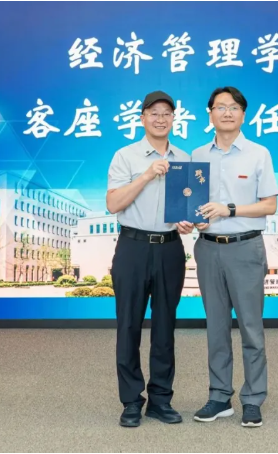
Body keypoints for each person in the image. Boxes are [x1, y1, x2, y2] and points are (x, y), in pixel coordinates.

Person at [191, 86, 278, 428]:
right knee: (215, 328)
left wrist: (229, 209)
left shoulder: (259, 154)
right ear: (210, 113)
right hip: (207, 248)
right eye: (220, 107)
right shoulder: (198, 154)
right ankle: (219, 396)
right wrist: (191, 219)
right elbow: (192, 201)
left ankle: (253, 399)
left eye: (233, 107)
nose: (226, 112)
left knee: (251, 329)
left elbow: (269, 205)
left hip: (245, 247)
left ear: (243, 114)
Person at [106, 90, 193, 428]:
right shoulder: (125, 156)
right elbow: (113, 204)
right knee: (128, 324)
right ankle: (131, 401)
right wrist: (145, 174)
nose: (160, 118)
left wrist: (188, 221)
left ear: (174, 119)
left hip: (170, 248)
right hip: (133, 247)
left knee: (165, 326)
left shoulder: (184, 158)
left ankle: (160, 400)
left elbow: (187, 207)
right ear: (142, 118)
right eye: (153, 113)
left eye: (166, 113)